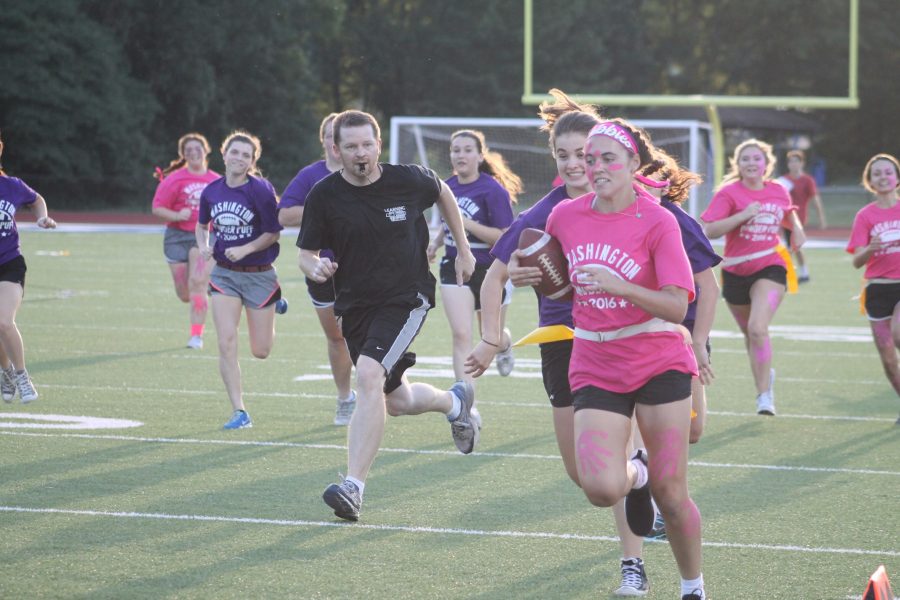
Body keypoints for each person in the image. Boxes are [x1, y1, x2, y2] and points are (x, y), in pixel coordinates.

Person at [466, 90, 654, 597]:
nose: (576, 165)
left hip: (621, 340)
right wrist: (489, 339)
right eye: (564, 155)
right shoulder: (545, 214)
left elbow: (677, 261)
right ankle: (640, 474)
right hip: (563, 344)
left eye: (584, 154)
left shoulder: (637, 203)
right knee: (587, 476)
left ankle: (631, 566)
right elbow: (492, 277)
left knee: (610, 455)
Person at [548, 117, 706, 600]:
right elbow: (557, 281)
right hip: (595, 360)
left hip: (658, 357)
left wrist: (622, 287)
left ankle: (692, 588)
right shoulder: (565, 216)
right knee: (599, 488)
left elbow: (679, 304)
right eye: (588, 159)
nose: (594, 167)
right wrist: (525, 271)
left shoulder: (658, 219)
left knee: (673, 495)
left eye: (606, 158)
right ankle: (635, 473)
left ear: (634, 162)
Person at [298, 110, 477, 522]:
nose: (360, 153)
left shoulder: (408, 179)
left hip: (406, 297)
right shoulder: (324, 196)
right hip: (355, 305)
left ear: (379, 144)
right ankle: (454, 402)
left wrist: (462, 248)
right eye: (350, 147)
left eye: (367, 144)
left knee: (367, 375)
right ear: (336, 150)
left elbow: (442, 192)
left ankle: (353, 488)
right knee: (396, 400)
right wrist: (315, 268)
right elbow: (306, 254)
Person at [701, 139, 806, 416]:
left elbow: (787, 214)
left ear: (766, 164)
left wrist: (796, 228)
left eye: (756, 158)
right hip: (734, 271)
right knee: (750, 333)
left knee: (758, 329)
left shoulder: (778, 191)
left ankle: (764, 396)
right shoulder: (728, 194)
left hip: (771, 266)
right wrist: (742, 216)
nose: (751, 163)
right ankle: (764, 378)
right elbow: (710, 230)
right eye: (745, 159)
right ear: (737, 164)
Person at [196, 130, 283, 430]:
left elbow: (273, 231)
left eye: (246, 155)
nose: (240, 158)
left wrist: (245, 248)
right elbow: (201, 225)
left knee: (261, 350)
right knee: (226, 341)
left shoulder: (260, 190)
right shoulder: (211, 191)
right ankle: (239, 410)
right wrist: (205, 245)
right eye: (235, 152)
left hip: (259, 275)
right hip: (224, 276)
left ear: (252, 161)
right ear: (224, 154)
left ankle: (276, 300)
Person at [426, 129, 520, 390]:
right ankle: (465, 403)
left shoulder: (493, 191)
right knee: (461, 335)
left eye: (467, 150)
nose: (460, 155)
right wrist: (434, 245)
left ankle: (505, 345)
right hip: (454, 266)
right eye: (455, 150)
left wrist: (464, 221)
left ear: (480, 156)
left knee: (490, 336)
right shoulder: (445, 187)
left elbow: (503, 237)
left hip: (491, 270)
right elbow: (446, 226)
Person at [279, 113, 357, 426]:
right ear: (324, 140)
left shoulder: (365, 172)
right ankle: (344, 397)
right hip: (320, 268)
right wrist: (326, 209)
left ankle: (375, 392)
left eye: (338, 135)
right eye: (328, 135)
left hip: (364, 267)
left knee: (369, 335)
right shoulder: (311, 175)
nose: (333, 141)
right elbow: (285, 214)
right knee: (337, 338)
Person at [0, 128, 57, 404]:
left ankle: (21, 375)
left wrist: (42, 218)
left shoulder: (12, 185)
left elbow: (37, 201)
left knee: (3, 320)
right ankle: (6, 372)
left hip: (10, 263)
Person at [151, 133, 220, 350]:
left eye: (197, 148)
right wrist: (176, 215)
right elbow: (157, 208)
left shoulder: (216, 181)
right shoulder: (175, 179)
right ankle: (208, 286)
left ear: (206, 150)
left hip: (204, 236)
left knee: (197, 282)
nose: (193, 152)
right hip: (177, 237)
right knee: (184, 293)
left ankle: (196, 336)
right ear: (183, 155)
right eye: (188, 150)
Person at [846, 153, 900, 425]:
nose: (883, 177)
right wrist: (871, 248)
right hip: (878, 290)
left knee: (899, 333)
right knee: (889, 359)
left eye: (888, 172)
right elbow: (856, 260)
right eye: (876, 173)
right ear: (870, 181)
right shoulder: (865, 216)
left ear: (897, 178)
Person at [779, 149, 826, 282]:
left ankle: (798, 273)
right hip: (785, 219)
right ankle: (798, 274)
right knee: (792, 247)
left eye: (796, 161)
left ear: (802, 163)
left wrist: (821, 217)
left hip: (799, 219)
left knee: (794, 247)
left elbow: (815, 199)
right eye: (790, 161)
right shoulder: (784, 180)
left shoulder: (807, 180)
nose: (793, 164)